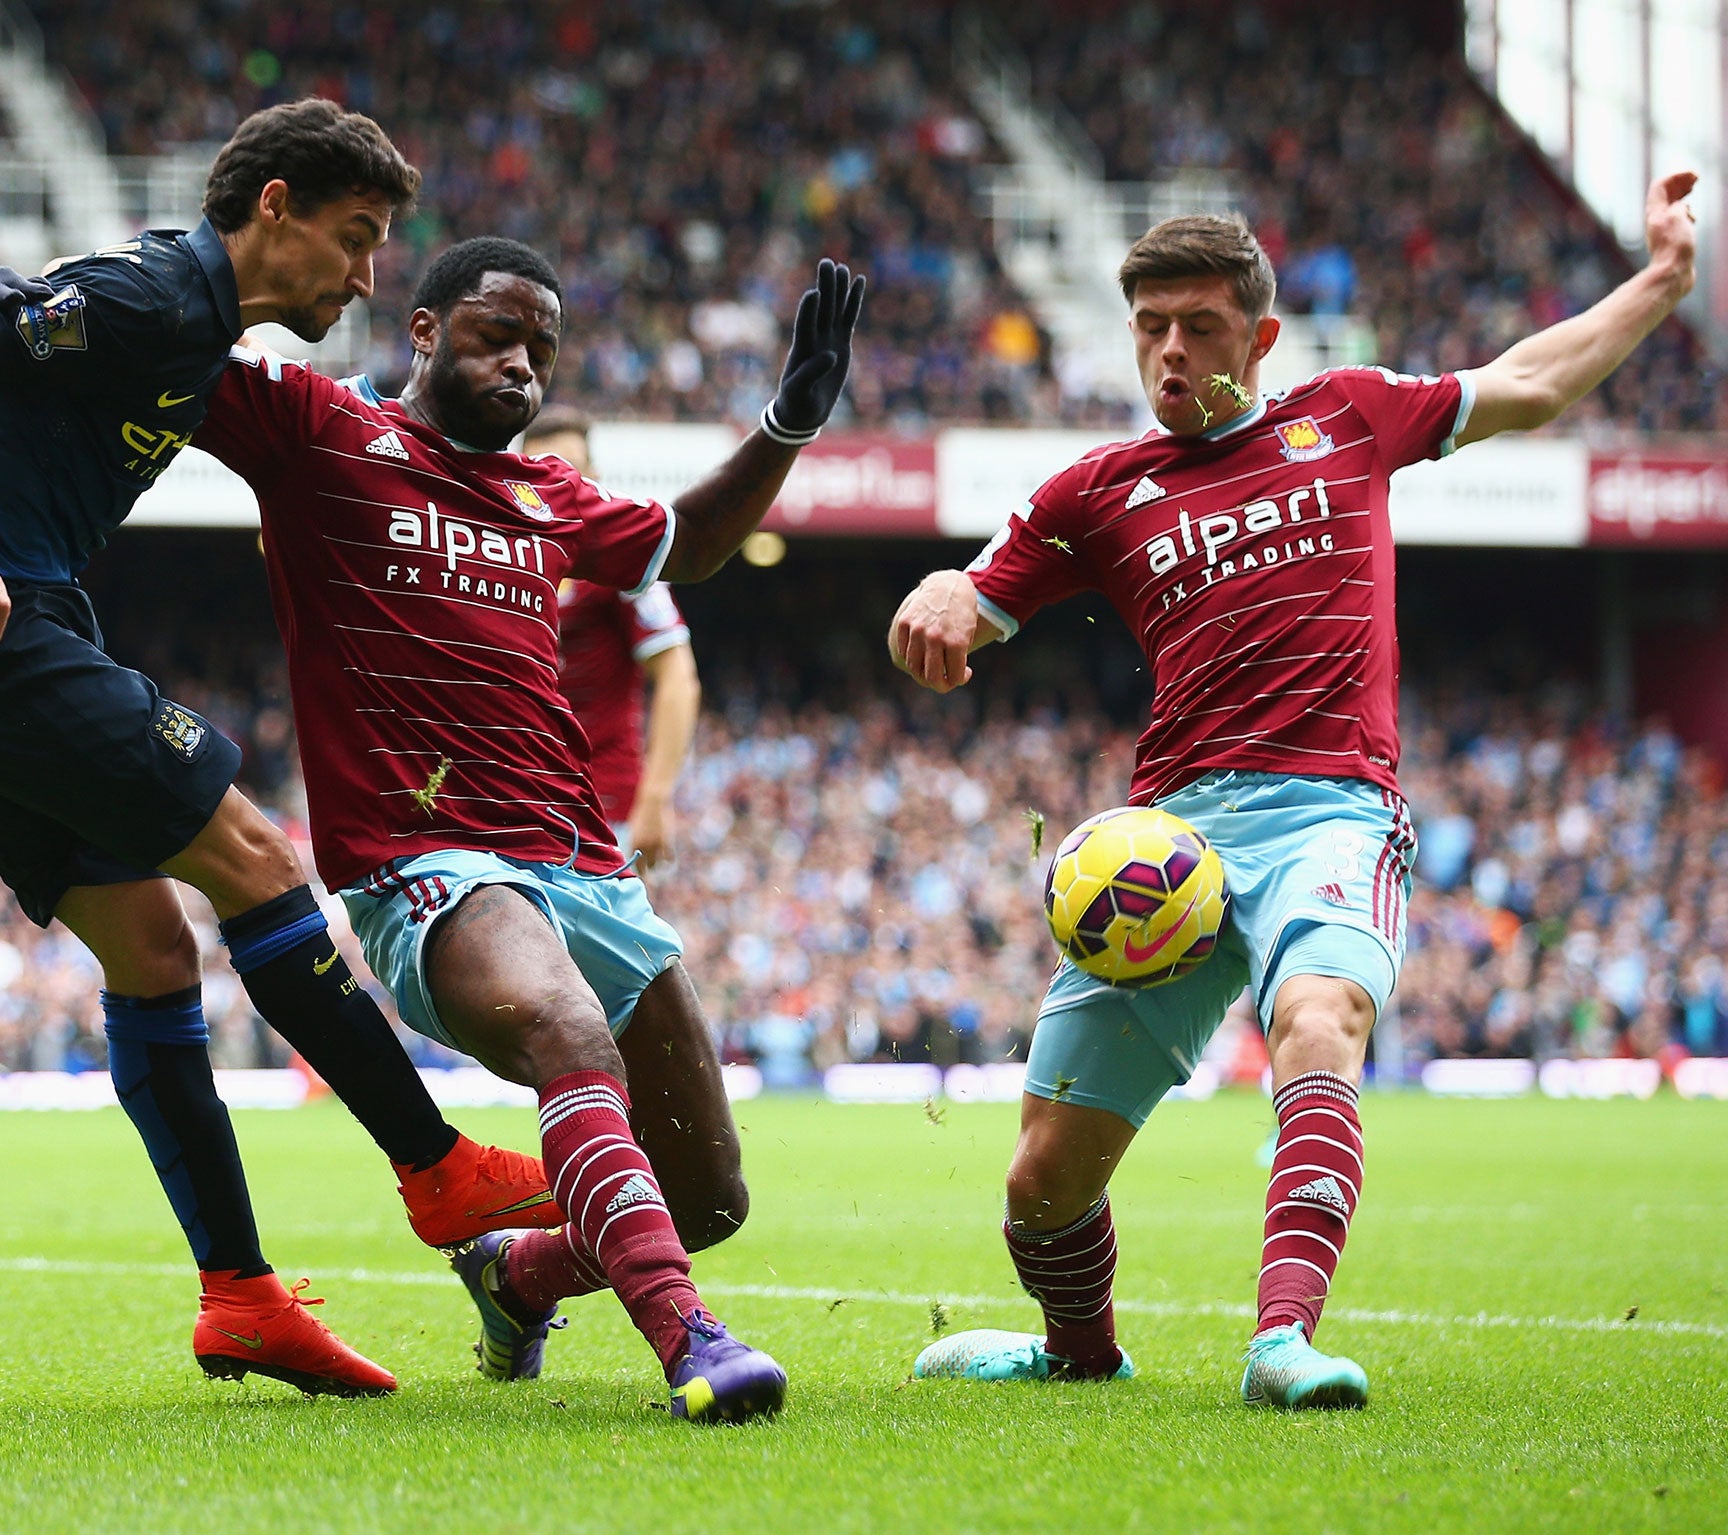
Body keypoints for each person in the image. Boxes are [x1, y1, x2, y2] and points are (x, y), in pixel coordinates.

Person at [891, 173, 1699, 1409]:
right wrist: (946, 591)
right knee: (1038, 1182)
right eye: (1149, 325)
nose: (1168, 349)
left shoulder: (1350, 416)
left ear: (1259, 337)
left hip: (1331, 807)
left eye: (1197, 325)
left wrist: (1657, 282)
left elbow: (1528, 382)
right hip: (1161, 847)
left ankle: (1282, 1342)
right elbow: (981, 597)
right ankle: (1077, 1351)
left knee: (1318, 1019)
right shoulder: (1094, 492)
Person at [0, 100, 557, 1399]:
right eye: (354, 237)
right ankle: (436, 1168)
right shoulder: (164, 291)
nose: (367, 275)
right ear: (272, 207)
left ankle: (241, 1299)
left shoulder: (198, 334)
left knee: (154, 949)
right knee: (256, 856)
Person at [193, 238, 864, 1423]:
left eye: (540, 349)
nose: (520, 366)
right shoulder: (321, 432)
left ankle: (515, 1273)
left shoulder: (549, 496)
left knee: (705, 1196)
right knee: (564, 1026)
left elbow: (691, 546)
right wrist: (64, 307)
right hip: (425, 861)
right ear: (421, 331)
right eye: (495, 336)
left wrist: (786, 423)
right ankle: (688, 1342)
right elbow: (176, 354)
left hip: (585, 863)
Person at [527, 407, 702, 868]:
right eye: (539, 469)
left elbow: (678, 678)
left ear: (593, 479)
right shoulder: (505, 563)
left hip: (604, 812)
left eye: (568, 470)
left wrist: (656, 798)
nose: (553, 484)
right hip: (519, 811)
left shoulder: (624, 567)